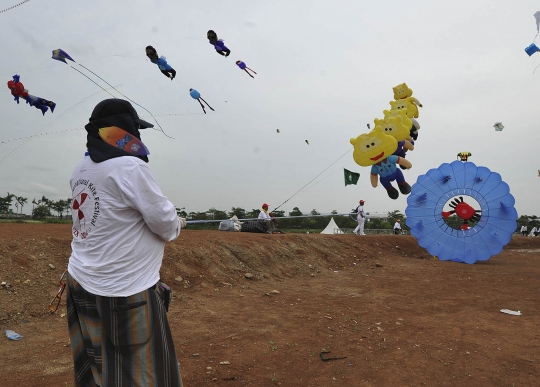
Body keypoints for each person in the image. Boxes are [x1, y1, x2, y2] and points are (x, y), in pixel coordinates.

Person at [66, 98, 185, 387]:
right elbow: (166, 225)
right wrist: (178, 221)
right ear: (124, 132)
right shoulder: (130, 167)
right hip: (124, 291)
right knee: (143, 375)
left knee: (97, 368)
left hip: (81, 281)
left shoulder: (81, 168)